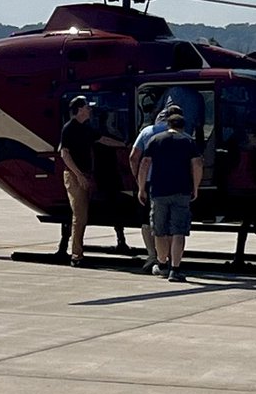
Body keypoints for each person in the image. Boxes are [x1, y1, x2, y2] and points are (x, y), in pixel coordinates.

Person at [58, 95, 124, 266]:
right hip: (74, 175)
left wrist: (124, 144)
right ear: (80, 109)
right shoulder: (69, 128)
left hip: (86, 174)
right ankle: (76, 256)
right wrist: (78, 174)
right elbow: (64, 153)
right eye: (87, 107)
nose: (90, 110)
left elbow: (102, 139)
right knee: (79, 216)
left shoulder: (86, 128)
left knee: (85, 213)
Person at [137, 113, 202, 282]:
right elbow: (197, 164)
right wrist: (195, 187)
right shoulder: (188, 141)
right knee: (178, 231)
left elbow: (144, 164)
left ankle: (162, 264)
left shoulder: (156, 140)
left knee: (160, 230)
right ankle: (175, 269)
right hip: (181, 191)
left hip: (159, 191)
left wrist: (141, 188)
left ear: (168, 125)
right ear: (183, 126)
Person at [129, 104, 183, 273]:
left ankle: (153, 256)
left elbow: (134, 157)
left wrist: (139, 181)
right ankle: (172, 260)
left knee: (149, 222)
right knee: (173, 224)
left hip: (151, 182)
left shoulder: (147, 132)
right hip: (176, 183)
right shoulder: (183, 136)